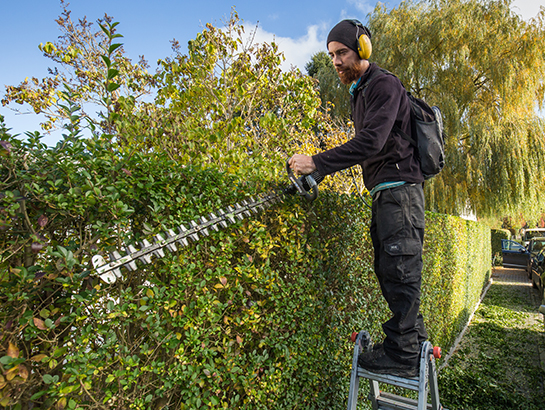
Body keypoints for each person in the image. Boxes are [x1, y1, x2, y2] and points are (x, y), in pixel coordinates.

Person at [288, 19, 428, 377]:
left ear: (362, 50)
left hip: (401, 193)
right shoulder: (362, 93)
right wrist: (319, 173)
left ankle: (403, 356)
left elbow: (372, 143)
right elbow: (366, 150)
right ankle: (410, 340)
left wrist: (317, 160)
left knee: (399, 269)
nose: (335, 61)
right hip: (386, 193)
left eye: (342, 53)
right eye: (332, 54)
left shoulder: (384, 85)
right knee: (390, 269)